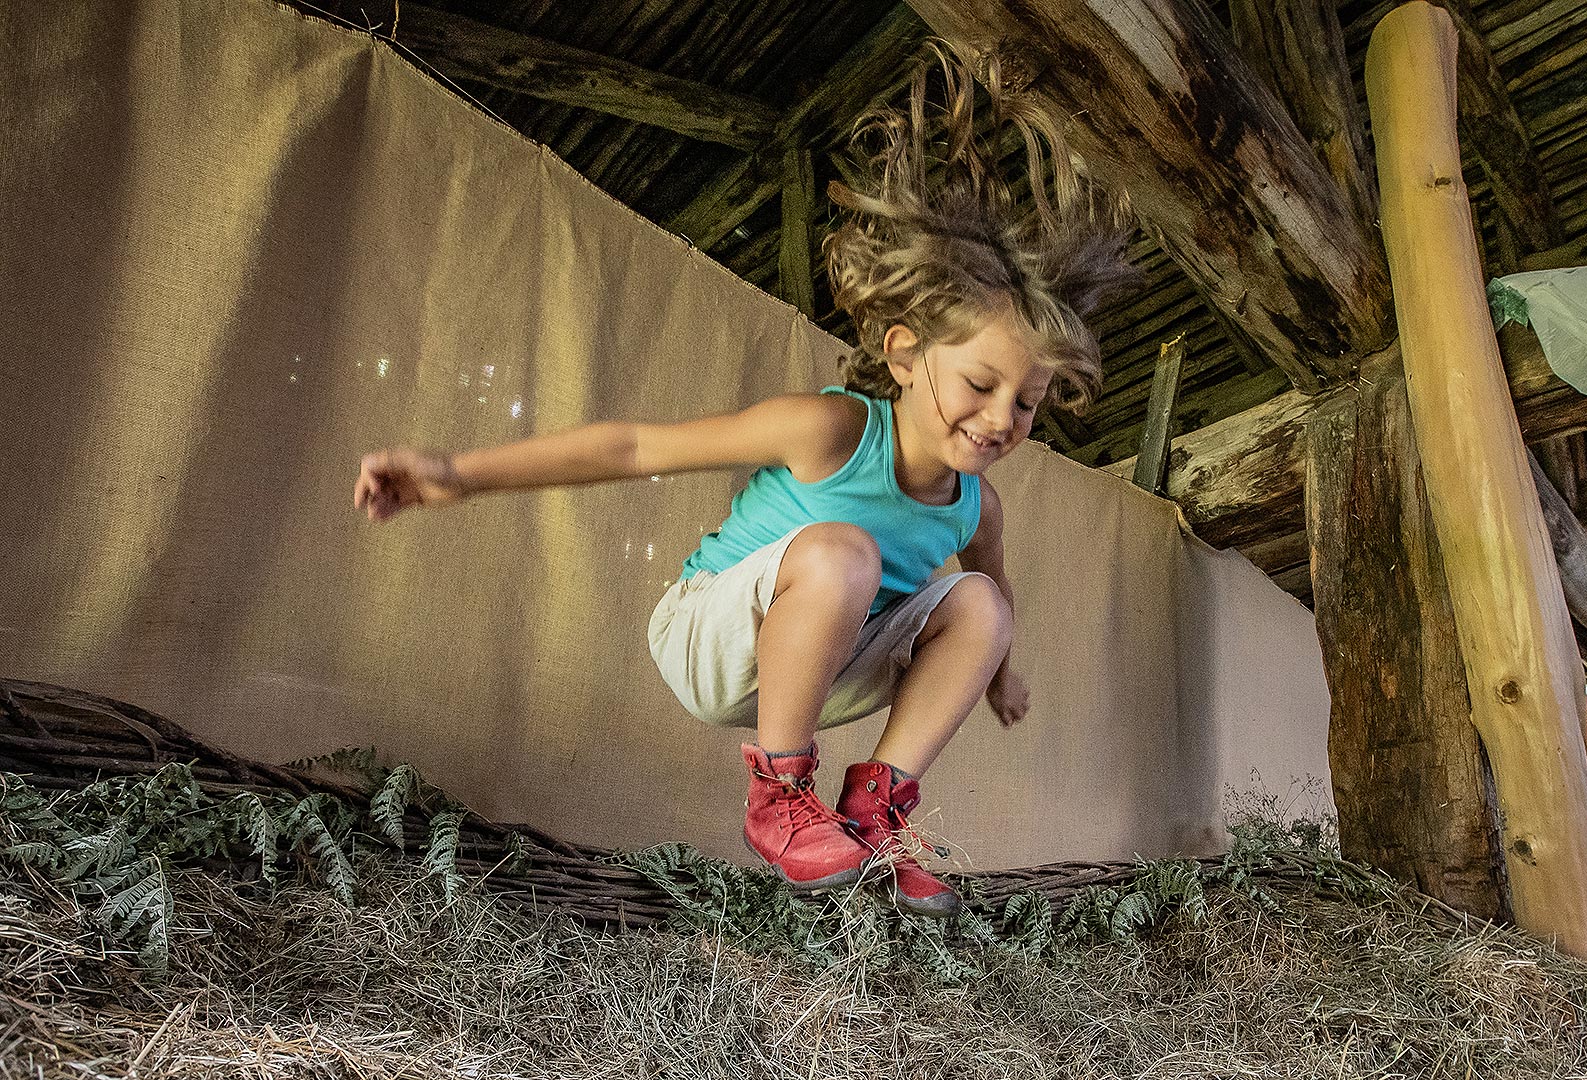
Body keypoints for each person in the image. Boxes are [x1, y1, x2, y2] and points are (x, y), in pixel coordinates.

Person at [352, 52, 1134, 918]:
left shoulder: (977, 503)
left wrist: (999, 674)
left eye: (1028, 404)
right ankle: (779, 797)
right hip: (712, 638)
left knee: (982, 599)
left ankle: (875, 814)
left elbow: (996, 596)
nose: (1000, 421)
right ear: (906, 355)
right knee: (846, 550)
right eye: (981, 385)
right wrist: (457, 475)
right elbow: (632, 446)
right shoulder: (830, 431)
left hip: (826, 663)